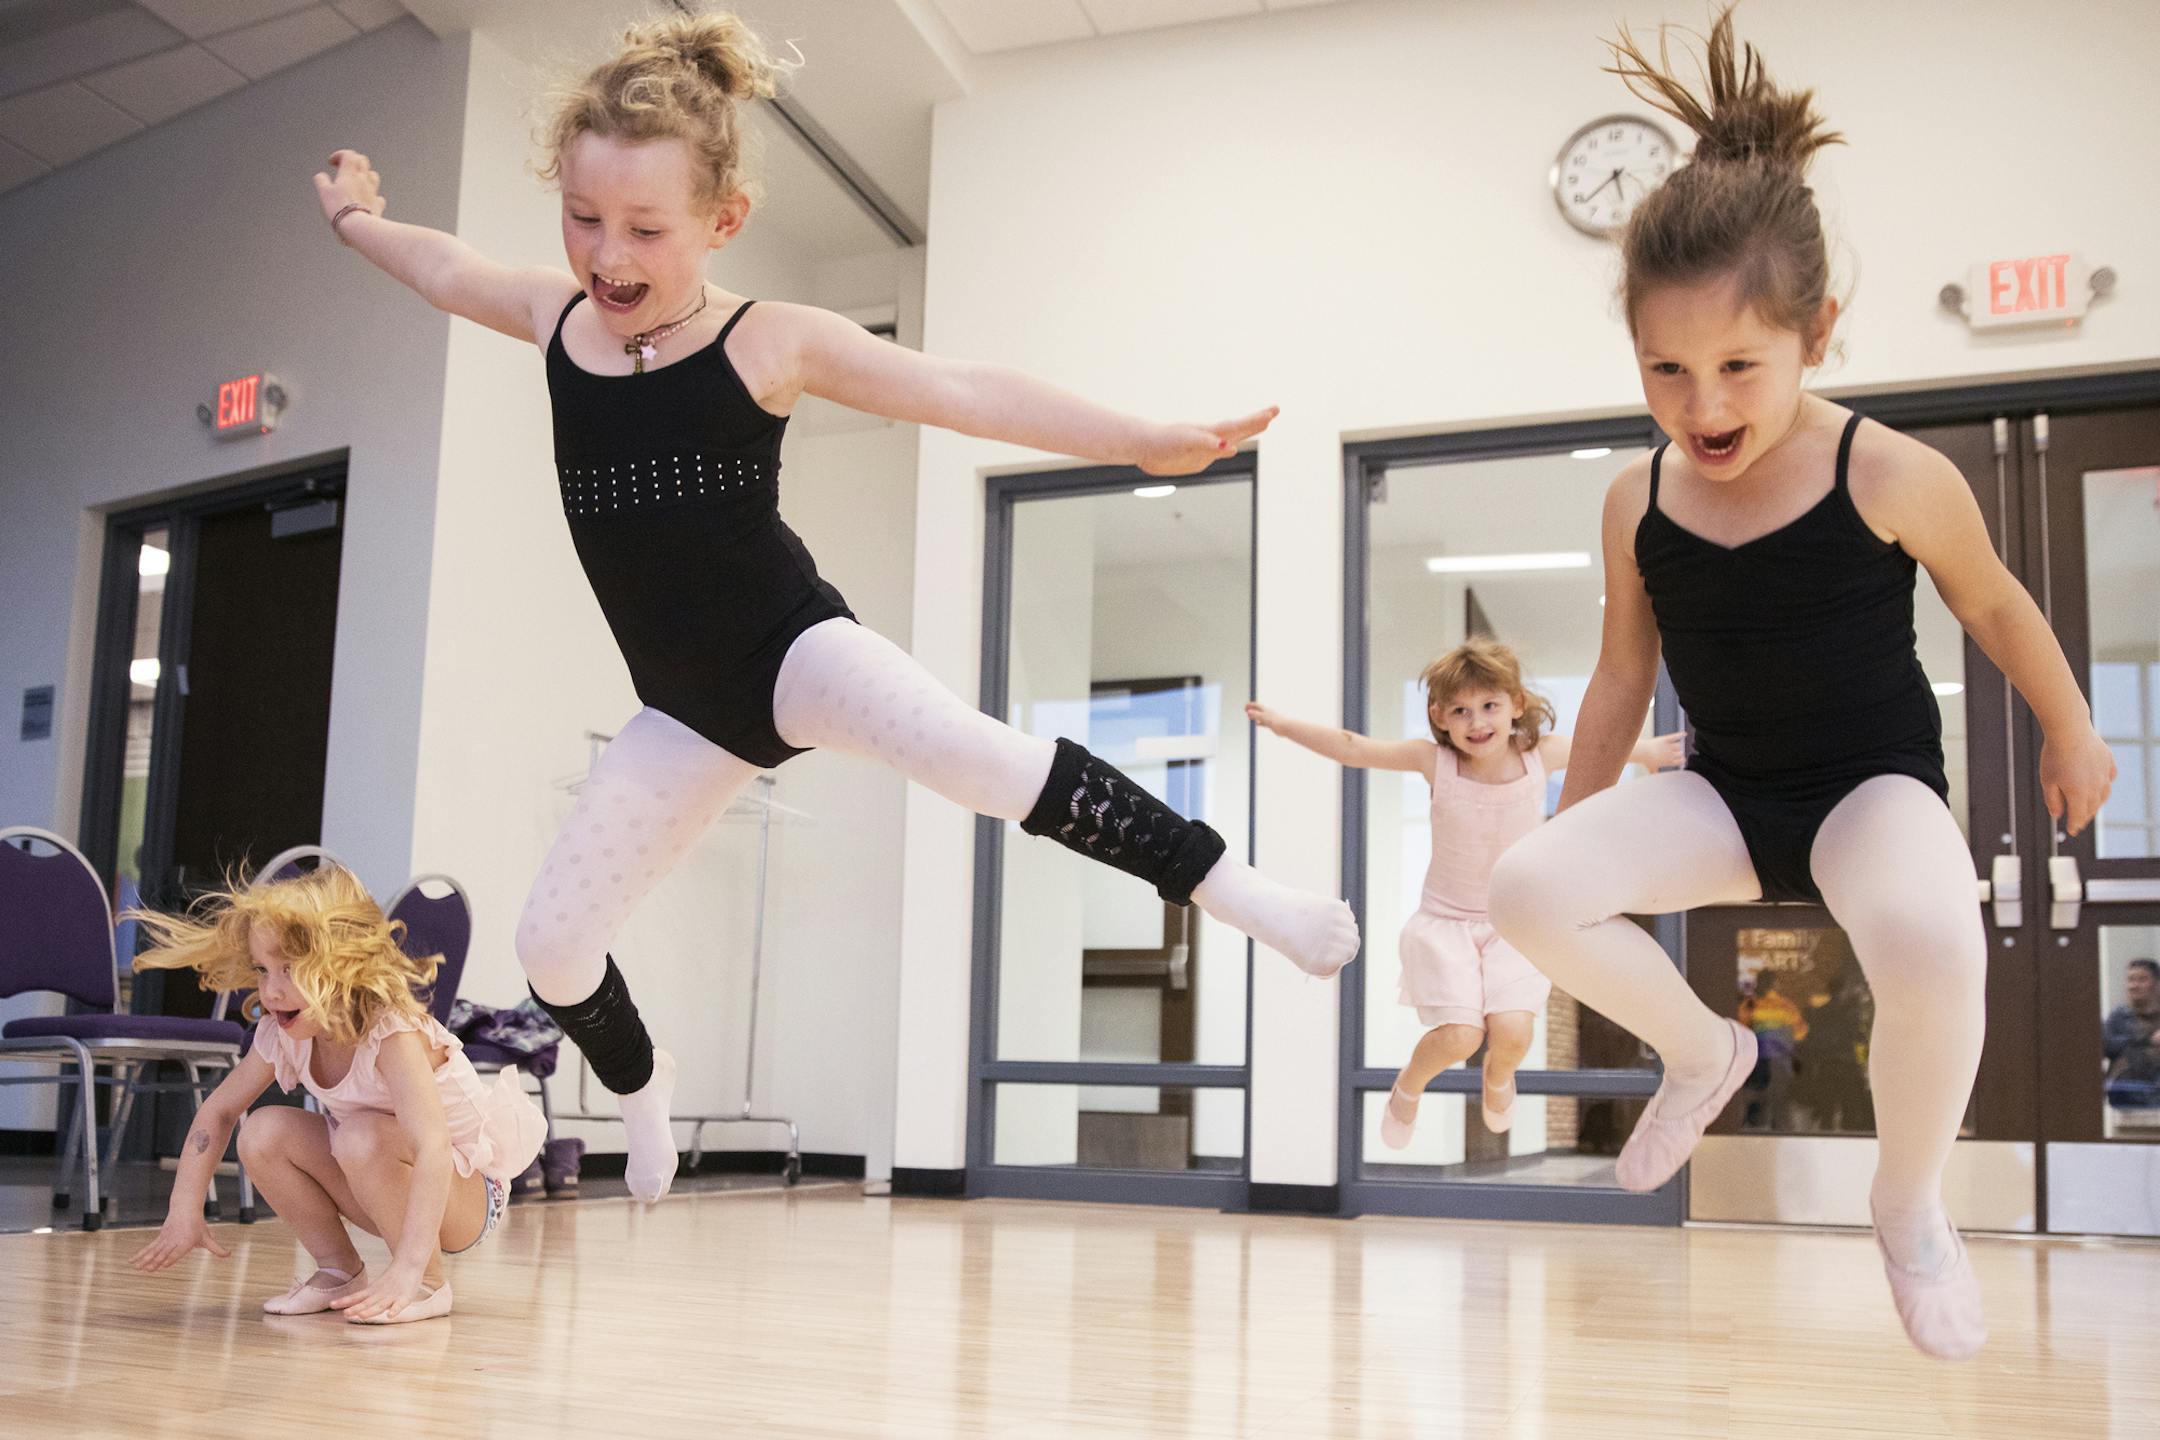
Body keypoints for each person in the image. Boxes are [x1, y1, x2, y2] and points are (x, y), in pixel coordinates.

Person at [312, 12, 1358, 1205]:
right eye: (583, 217)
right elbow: (444, 268)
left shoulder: (771, 341)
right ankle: (644, 1106)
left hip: (792, 645)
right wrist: (354, 219)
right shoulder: (558, 324)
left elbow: (959, 389)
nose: (607, 253)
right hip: (683, 706)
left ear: (724, 221)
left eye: (646, 228)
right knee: (550, 945)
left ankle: (1252, 901)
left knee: (979, 759)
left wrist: (1133, 438)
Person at [1485, 5, 2114, 1360]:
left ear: (1817, 333)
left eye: (1736, 368)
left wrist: (2071, 725)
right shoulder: (1635, 497)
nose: (1700, 405)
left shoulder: (1884, 472)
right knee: (1527, 890)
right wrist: (1576, 823)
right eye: (1664, 368)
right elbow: (1619, 675)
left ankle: (1907, 1201)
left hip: (1866, 792)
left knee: (1942, 947)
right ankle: (1705, 1054)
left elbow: (1994, 602)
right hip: (1724, 794)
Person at [1248, 638, 1682, 1142]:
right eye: (1460, 711)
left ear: (1516, 705)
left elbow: (1605, 746)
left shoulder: (1540, 755)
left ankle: (1498, 1078)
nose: (1477, 723)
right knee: (1459, 1036)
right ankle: (1408, 1088)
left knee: (1514, 1033)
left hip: (1515, 923)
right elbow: (1354, 747)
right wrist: (1284, 726)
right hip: (1446, 923)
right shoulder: (1436, 763)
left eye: (1489, 706)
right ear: (1440, 717)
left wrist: (1650, 751)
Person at [126, 867, 546, 1324]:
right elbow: (219, 1110)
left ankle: (428, 1283)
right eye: (263, 970)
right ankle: (338, 1270)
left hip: (468, 1195)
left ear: (343, 966)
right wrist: (184, 1210)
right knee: (263, 1132)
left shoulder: (392, 1032)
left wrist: (407, 1268)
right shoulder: (282, 1034)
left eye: (290, 970)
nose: (270, 991)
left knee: (359, 1136)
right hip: (381, 1173)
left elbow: (433, 1145)